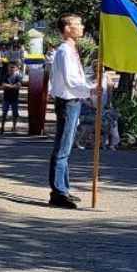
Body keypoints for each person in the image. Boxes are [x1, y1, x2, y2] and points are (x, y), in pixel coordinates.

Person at [47, 14, 93, 208]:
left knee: (66, 147)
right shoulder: (65, 51)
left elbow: (76, 78)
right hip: (68, 102)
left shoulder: (71, 49)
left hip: (73, 101)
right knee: (63, 147)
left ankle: (63, 188)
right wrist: (91, 89)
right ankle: (58, 192)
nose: (82, 27)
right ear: (67, 28)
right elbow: (71, 80)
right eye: (77, 24)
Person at [0, 61, 25, 134]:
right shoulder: (5, 75)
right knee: (4, 112)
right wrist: (12, 86)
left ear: (16, 68)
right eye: (9, 67)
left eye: (13, 67)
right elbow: (3, 85)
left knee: (15, 113)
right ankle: (2, 127)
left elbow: (18, 85)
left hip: (15, 98)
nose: (11, 69)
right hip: (6, 97)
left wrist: (8, 86)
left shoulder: (18, 76)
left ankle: (14, 127)